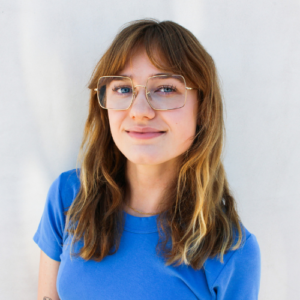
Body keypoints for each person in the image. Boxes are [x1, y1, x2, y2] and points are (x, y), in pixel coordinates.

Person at [33, 19, 261, 300]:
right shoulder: (68, 197)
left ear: (203, 109)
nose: (140, 111)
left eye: (165, 89)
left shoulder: (232, 251)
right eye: (123, 89)